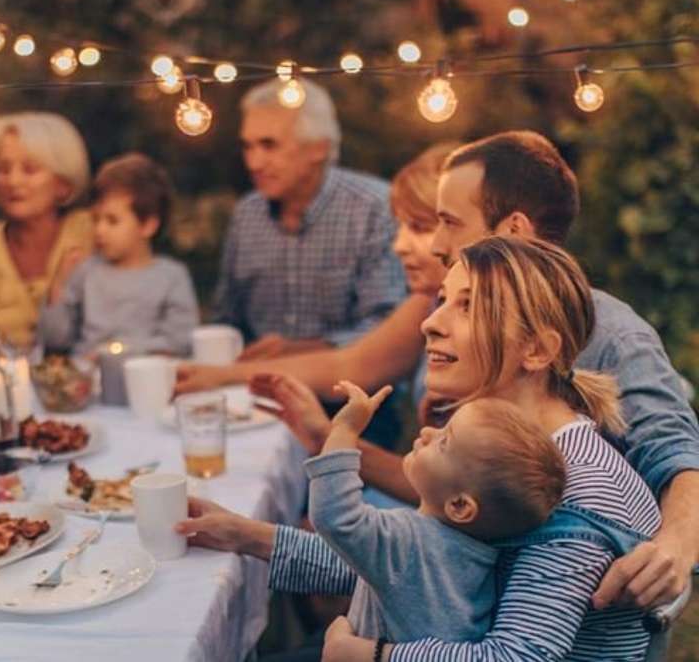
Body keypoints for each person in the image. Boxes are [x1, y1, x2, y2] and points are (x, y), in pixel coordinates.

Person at [200, 131, 699, 609]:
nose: (435, 244)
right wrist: (251, 534)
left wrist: (676, 544)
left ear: (513, 232)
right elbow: (433, 555)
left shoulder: (605, 350)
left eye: (447, 223)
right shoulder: (472, 343)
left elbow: (674, 450)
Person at [177, 236, 663, 661]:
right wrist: (243, 536)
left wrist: (372, 656)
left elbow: (515, 655)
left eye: (469, 306)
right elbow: (412, 567)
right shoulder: (500, 454)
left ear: (536, 350)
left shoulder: (571, 495)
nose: (431, 323)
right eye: (443, 300)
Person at [176, 142, 456, 402]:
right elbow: (348, 365)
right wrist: (218, 376)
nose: (399, 246)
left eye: (419, 227)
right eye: (401, 227)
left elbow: (353, 368)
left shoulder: (483, 320)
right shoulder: (431, 299)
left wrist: (220, 376)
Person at [308, 381, 565, 649]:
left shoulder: (409, 542)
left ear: (459, 506)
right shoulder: (480, 558)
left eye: (444, 441)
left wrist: (344, 432)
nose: (428, 431)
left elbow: (336, 517)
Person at [211, 78, 406, 360]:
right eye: (248, 146)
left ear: (319, 148)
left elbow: (389, 325)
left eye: (269, 145)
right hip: (254, 392)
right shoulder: (246, 214)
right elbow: (226, 320)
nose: (254, 163)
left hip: (355, 395)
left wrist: (296, 352)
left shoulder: (374, 208)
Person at [0, 112, 93, 349]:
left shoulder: (93, 233)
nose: (13, 181)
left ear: (63, 183)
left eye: (29, 169)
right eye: (3, 170)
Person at [38, 153, 199, 357]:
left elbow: (180, 340)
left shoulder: (171, 276)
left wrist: (120, 353)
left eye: (112, 221)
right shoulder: (86, 272)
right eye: (96, 219)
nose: (99, 230)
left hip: (146, 375)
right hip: (88, 377)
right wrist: (59, 284)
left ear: (148, 225)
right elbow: (55, 338)